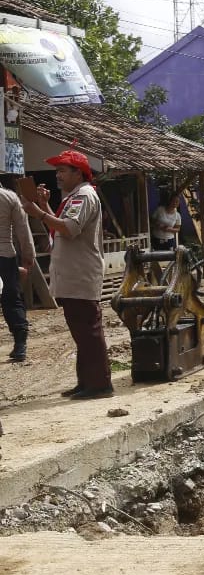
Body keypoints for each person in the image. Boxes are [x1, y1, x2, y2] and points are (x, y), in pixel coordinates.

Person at [21, 150, 113, 398]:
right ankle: (87, 381)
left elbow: (70, 229)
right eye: (57, 171)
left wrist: (38, 213)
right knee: (82, 332)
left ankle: (99, 384)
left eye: (62, 170)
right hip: (74, 274)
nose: (57, 175)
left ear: (78, 173)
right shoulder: (75, 196)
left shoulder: (82, 196)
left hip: (80, 273)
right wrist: (44, 206)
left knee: (88, 331)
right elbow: (59, 228)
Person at [0, 179, 35, 362]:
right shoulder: (9, 197)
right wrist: (29, 255)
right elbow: (23, 228)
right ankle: (20, 344)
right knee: (12, 299)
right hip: (5, 256)